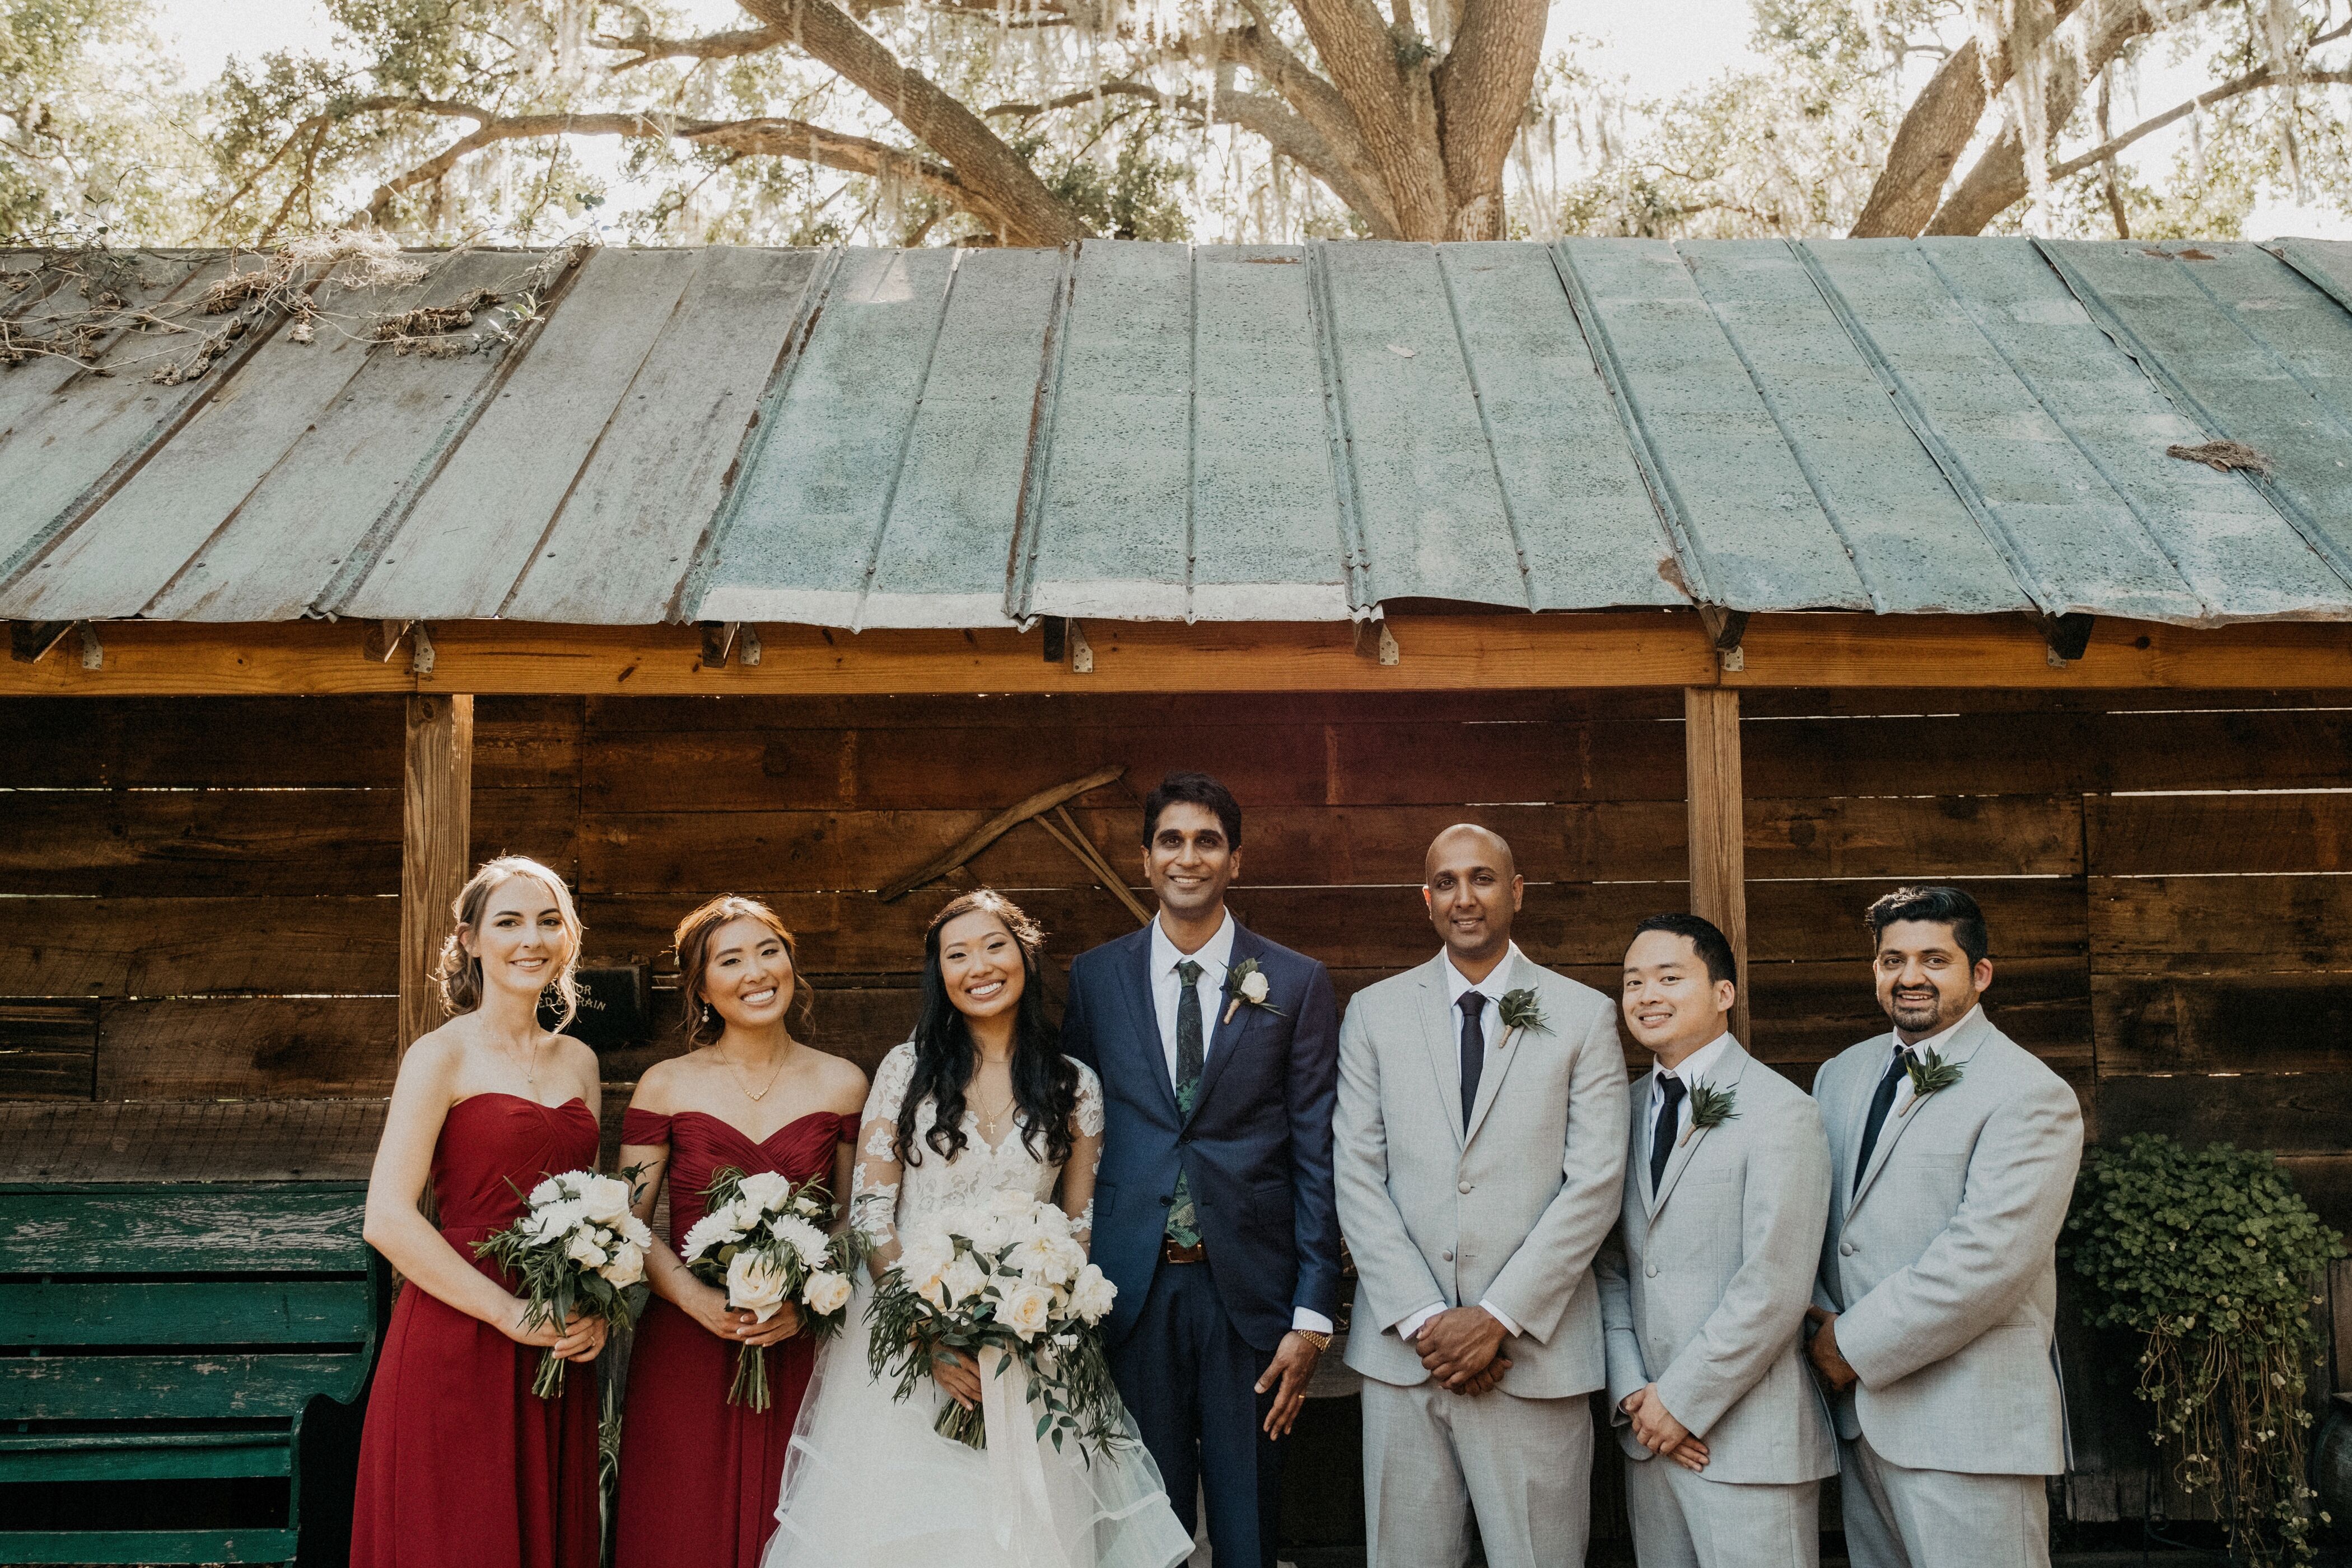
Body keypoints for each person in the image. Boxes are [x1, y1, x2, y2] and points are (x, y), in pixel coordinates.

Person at [763, 889, 1191, 1568]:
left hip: (1031, 1353)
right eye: (956, 954)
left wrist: (1035, 1322)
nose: (979, 966)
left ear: (1024, 956)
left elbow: (1076, 1228)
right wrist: (928, 1333)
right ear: (941, 975)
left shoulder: (1074, 1084)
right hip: (908, 1351)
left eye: (995, 945)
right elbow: (873, 1211)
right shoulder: (907, 1069)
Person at [1061, 772, 1342, 1568]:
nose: (1189, 857)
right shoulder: (1095, 977)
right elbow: (1078, 1133)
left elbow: (1315, 1151)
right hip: (1128, 1293)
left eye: (1208, 841)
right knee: (1141, 1530)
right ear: (1145, 859)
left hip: (1249, 1296)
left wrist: (1312, 1315)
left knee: (1250, 1530)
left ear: (1236, 861)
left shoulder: (1294, 981)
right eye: (1172, 840)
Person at [1332, 824, 1628, 1568]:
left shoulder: (1584, 1015)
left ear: (1517, 892)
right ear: (1426, 900)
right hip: (1407, 1358)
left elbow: (1594, 1185)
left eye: (1484, 879)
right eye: (1448, 882)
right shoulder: (1373, 1013)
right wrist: (1431, 1322)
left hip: (1533, 1359)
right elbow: (1357, 1176)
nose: (1465, 897)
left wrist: (1497, 1318)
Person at [1807, 886, 2084, 1568]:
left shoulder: (2029, 1093)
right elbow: (1815, 1217)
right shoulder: (1840, 1075)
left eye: (1935, 959)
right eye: (1892, 959)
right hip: (1859, 1425)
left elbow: (1987, 1260)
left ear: (1979, 974)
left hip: (1969, 1428)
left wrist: (1848, 1344)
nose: (1910, 977)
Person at [352, 856, 606, 1568]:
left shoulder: (581, 1061)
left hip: (558, 1334)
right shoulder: (440, 1055)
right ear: (470, 940)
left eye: (549, 922)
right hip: (459, 1329)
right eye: (509, 922)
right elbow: (388, 1217)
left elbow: (591, 1211)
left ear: (569, 940)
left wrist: (593, 1307)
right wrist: (506, 1313)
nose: (532, 939)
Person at [614, 896, 868, 1568]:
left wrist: (809, 1301)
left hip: (801, 1340)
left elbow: (851, 1218)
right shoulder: (665, 1085)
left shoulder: (843, 1082)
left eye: (769, 951)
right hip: (686, 1342)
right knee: (680, 1525)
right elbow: (629, 1226)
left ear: (791, 962)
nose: (757, 972)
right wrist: (698, 1302)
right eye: (731, 960)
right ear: (701, 988)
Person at [1595, 913, 1835, 1568]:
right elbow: (1612, 1264)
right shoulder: (1622, 1105)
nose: (1647, 995)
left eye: (1670, 978)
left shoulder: (1782, 1111)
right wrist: (1634, 1394)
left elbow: (1775, 1286)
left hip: (1749, 1442)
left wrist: (1682, 1401)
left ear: (1724, 993)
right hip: (1647, 1438)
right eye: (1634, 981)